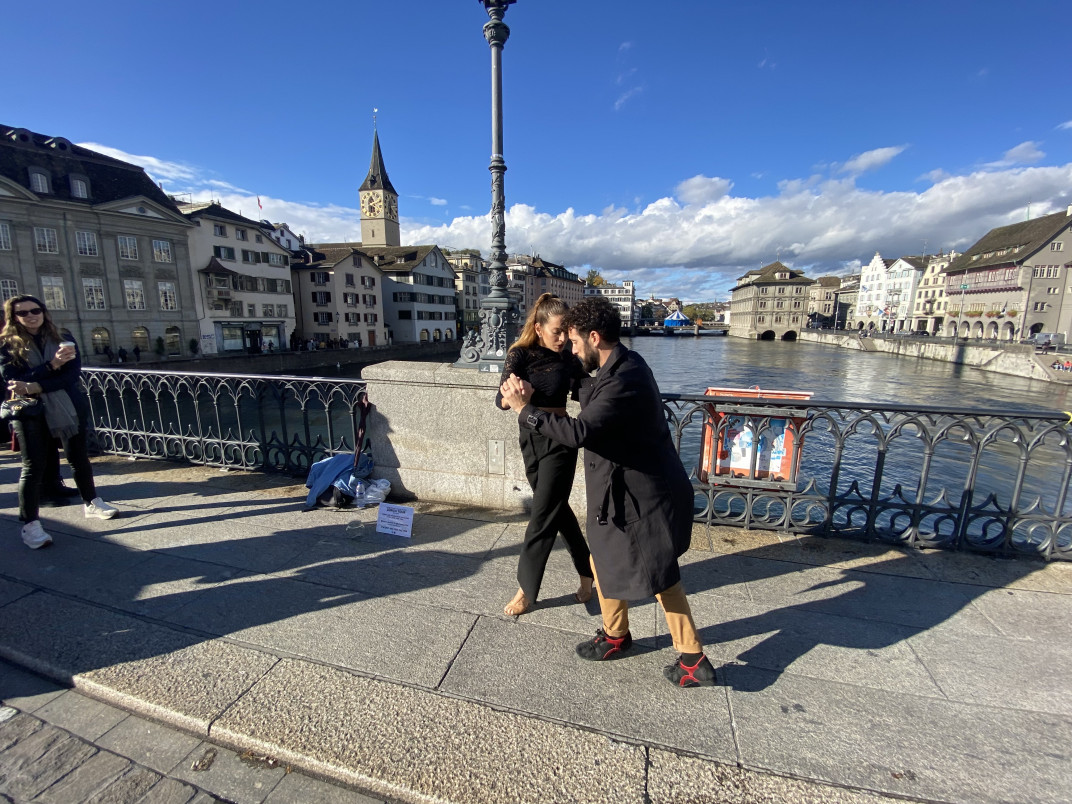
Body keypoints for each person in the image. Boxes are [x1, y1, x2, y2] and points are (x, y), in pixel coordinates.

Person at [500, 296, 716, 687]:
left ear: (594, 336)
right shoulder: (614, 366)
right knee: (602, 559)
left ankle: (693, 658)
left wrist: (524, 409)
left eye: (576, 340)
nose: (571, 347)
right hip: (617, 494)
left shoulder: (624, 378)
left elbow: (579, 432)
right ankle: (616, 634)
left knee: (661, 576)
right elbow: (585, 391)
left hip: (643, 496)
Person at [495, 293, 593, 617]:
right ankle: (587, 572)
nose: (563, 338)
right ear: (538, 328)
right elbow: (502, 400)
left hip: (560, 440)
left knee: (541, 515)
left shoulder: (568, 359)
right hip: (531, 440)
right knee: (558, 510)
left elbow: (587, 391)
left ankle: (526, 589)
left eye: (567, 332)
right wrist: (515, 397)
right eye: (557, 331)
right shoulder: (519, 354)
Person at [0, 295, 118, 549]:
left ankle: (92, 503)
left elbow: (71, 376)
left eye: (36, 310)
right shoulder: (7, 346)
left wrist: (35, 384)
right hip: (30, 412)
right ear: (14, 317)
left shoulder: (62, 338)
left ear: (44, 312)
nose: (31, 315)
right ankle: (30, 525)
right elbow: (12, 381)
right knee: (32, 467)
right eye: (23, 313)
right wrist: (52, 364)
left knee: (78, 458)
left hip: (68, 407)